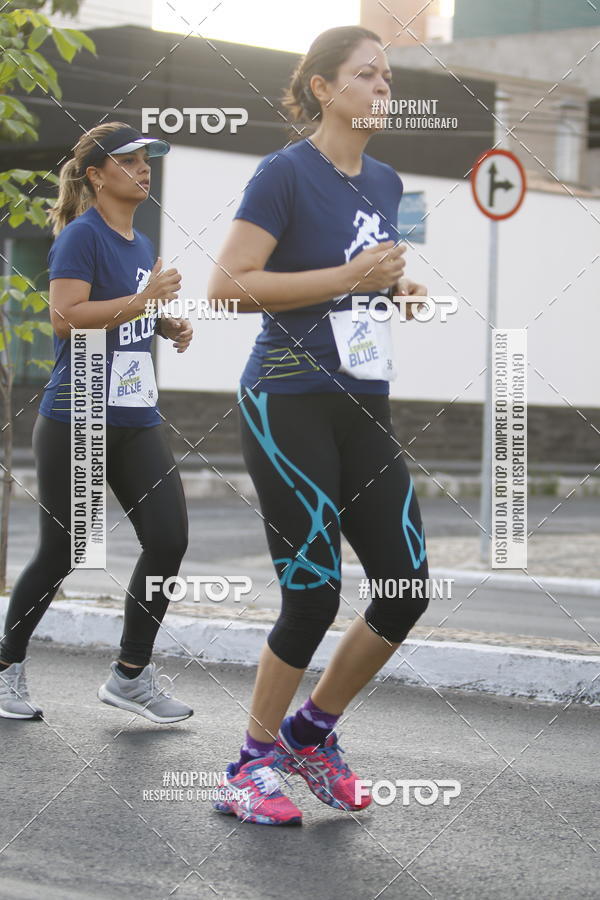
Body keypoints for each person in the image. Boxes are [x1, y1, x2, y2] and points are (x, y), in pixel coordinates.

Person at [207, 26, 430, 826]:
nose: (382, 89)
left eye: (388, 77)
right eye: (365, 75)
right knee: (312, 594)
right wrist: (350, 278)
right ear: (324, 88)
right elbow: (227, 285)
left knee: (405, 586)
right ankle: (249, 765)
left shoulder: (387, 177)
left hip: (364, 402)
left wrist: (400, 289)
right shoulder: (283, 173)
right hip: (287, 398)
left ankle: (311, 732)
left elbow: (377, 266)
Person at [0, 122, 194, 724]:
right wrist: (145, 301)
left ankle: (130, 675)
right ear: (96, 174)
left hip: (137, 415)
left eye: (148, 160)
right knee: (63, 551)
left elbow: (119, 309)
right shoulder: (81, 236)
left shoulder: (138, 241)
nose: (144, 168)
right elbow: (66, 318)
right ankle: (5, 667)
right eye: (130, 160)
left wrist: (163, 322)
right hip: (78, 416)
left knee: (169, 538)